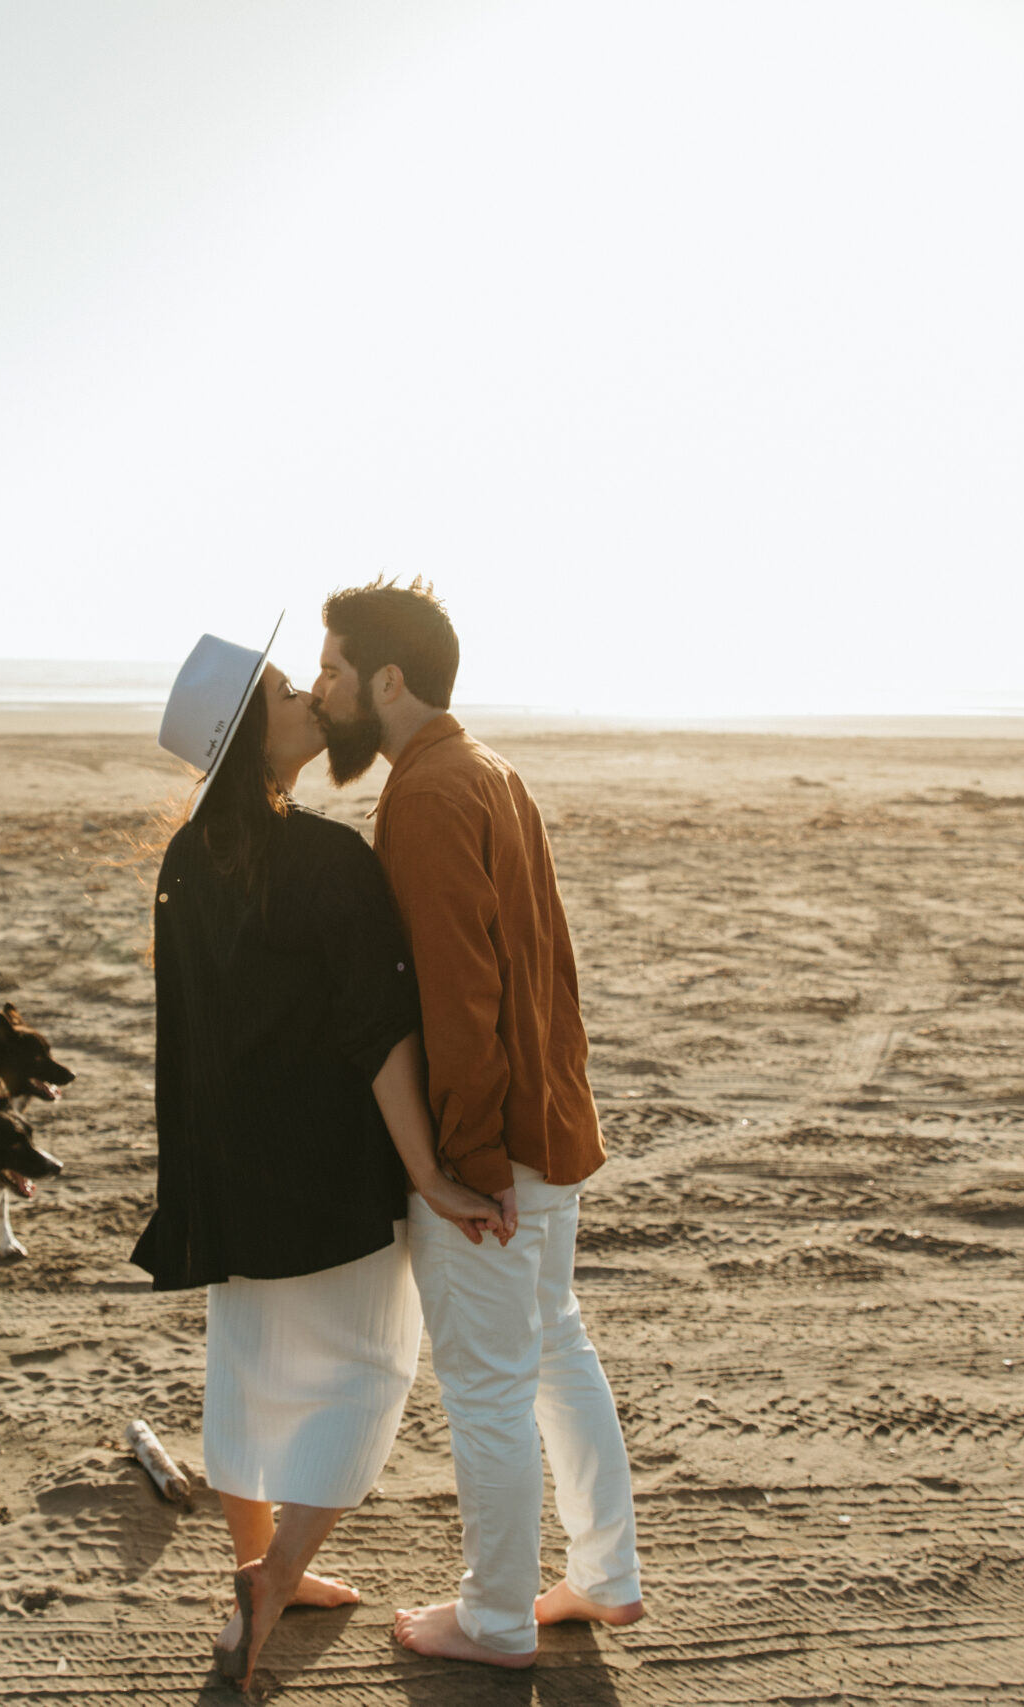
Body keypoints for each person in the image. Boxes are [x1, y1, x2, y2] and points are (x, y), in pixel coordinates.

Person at [131, 624, 508, 1691]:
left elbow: (187, 1037)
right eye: (291, 692)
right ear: (258, 734)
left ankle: (259, 1566)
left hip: (234, 1176)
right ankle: (274, 1573)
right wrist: (428, 1172)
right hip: (331, 1172)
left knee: (247, 1381)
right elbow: (378, 1030)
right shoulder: (326, 857)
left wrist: (196, 1184)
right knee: (363, 1377)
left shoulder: (186, 858)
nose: (310, 700)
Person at [310, 578, 645, 1669]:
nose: (322, 692)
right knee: (554, 1348)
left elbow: (457, 997)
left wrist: (469, 1161)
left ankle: (495, 1620)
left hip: (497, 1146)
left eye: (334, 670)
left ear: (387, 681)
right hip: (552, 1129)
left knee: (491, 1386)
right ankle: (604, 1578)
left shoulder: (425, 794)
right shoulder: (491, 770)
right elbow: (540, 972)